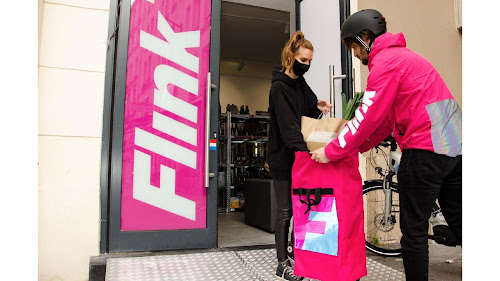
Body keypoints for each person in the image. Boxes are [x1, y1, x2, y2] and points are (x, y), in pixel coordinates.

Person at [310, 9, 462, 281]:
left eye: (354, 46)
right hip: (453, 146)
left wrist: (331, 150)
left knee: (413, 234)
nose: (354, 54)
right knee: (462, 221)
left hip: (424, 149)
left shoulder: (386, 63)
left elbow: (367, 116)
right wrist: (358, 147)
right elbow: (384, 121)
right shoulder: (406, 58)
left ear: (366, 37)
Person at [268, 30, 332, 281]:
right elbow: (289, 128)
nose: (306, 66)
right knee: (286, 209)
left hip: (300, 157)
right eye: (303, 60)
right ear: (290, 57)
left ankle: (297, 254)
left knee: (299, 208)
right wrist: (311, 151)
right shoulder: (279, 88)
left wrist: (319, 107)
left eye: (309, 62)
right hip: (284, 157)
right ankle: (281, 263)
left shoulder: (300, 84)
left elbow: (308, 109)